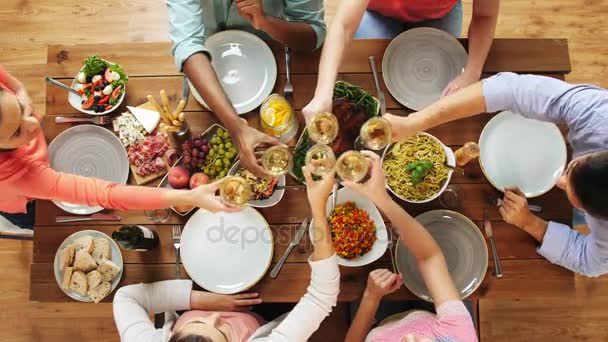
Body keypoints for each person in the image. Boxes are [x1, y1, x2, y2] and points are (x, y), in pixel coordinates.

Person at [384, 72, 608, 277]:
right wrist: (413, 122)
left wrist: (530, 223)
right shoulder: (598, 116)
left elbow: (590, 262)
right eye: (570, 170)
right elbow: (511, 90)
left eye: (580, 206)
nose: (558, 181)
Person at [112, 165, 339, 341]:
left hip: (196, 296)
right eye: (222, 332)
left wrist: (201, 300)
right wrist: (318, 208)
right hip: (261, 313)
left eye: (200, 322)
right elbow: (321, 296)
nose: (215, 315)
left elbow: (126, 298)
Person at [0, 64, 238, 221]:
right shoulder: (17, 176)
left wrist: (21, 94)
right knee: (40, 219)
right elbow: (108, 194)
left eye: (22, 109)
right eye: (17, 131)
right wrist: (188, 198)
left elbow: (15, 85)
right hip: (18, 196)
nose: (35, 120)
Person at [167, 0, 326, 176]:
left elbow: (313, 34)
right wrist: (236, 128)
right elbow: (187, 44)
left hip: (271, 53)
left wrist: (265, 22)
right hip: (204, 66)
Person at [343, 152, 477, 342]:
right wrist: (381, 198)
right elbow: (430, 257)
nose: (411, 337)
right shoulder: (460, 336)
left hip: (379, 315)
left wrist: (371, 296)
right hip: (426, 310)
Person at [302, 0, 499, 122]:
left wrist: (472, 72)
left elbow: (485, 15)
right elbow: (343, 25)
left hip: (440, 13)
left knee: (438, 91)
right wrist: (322, 94)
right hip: (378, 12)